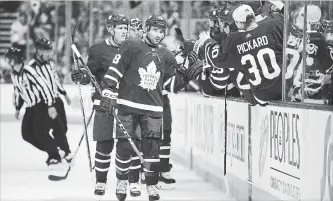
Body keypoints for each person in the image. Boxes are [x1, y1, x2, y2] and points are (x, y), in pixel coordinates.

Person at [100, 15, 177, 201]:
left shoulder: (166, 54)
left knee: (152, 149)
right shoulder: (131, 45)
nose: (158, 35)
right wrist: (109, 89)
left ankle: (151, 185)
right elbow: (116, 68)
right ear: (147, 29)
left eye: (161, 31)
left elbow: (172, 83)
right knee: (124, 147)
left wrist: (189, 72)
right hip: (128, 105)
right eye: (154, 30)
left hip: (153, 109)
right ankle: (121, 181)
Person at [70, 14, 129, 197]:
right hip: (104, 104)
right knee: (104, 144)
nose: (124, 31)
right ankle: (101, 182)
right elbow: (90, 74)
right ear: (111, 29)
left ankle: (122, 182)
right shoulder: (98, 49)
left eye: (126, 28)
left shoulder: (133, 49)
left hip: (126, 104)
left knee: (124, 146)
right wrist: (81, 75)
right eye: (120, 28)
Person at [199, 4, 284, 105]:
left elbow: (217, 59)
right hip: (283, 89)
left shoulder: (235, 40)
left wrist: (207, 42)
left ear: (238, 23)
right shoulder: (273, 25)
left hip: (261, 95)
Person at [5, 46, 67, 172]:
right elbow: (18, 91)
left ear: (16, 58)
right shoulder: (14, 74)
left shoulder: (29, 71)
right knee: (26, 134)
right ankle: (55, 150)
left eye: (10, 58)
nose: (8, 61)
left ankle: (54, 156)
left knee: (40, 133)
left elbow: (44, 87)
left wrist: (50, 105)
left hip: (41, 104)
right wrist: (17, 107)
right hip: (30, 107)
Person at [33, 38, 73, 162]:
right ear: (39, 51)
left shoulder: (50, 64)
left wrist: (64, 93)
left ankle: (59, 151)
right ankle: (60, 153)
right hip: (46, 103)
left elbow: (55, 80)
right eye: (47, 51)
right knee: (53, 129)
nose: (50, 54)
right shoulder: (32, 68)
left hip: (57, 100)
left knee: (63, 128)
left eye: (50, 51)